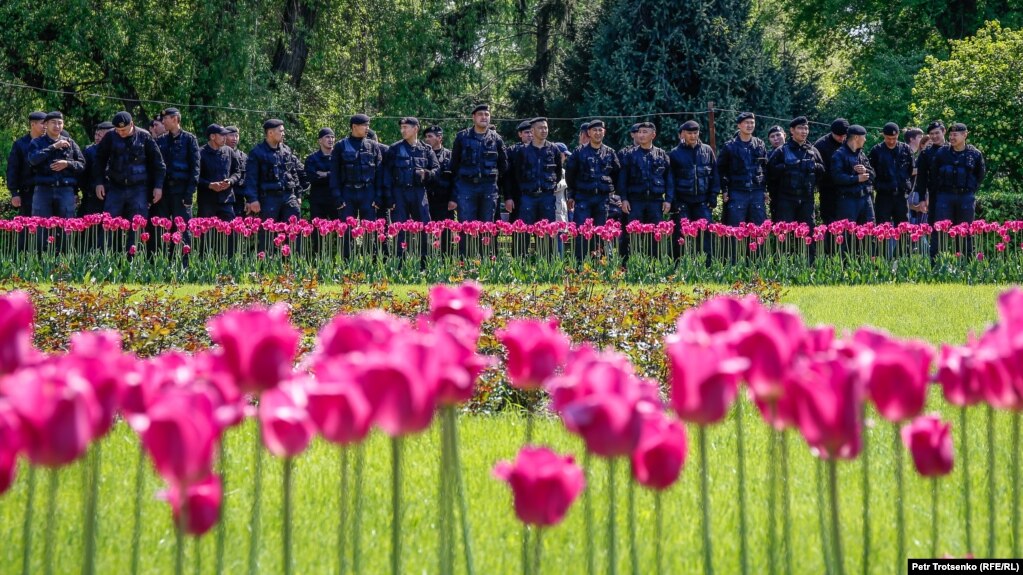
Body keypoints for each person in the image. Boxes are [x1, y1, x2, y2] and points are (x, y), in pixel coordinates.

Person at [93, 111, 166, 220]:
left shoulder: (144, 136)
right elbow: (99, 160)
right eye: (118, 130)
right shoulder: (110, 136)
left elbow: (158, 164)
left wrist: (158, 187)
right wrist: (99, 182)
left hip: (138, 188)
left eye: (124, 130)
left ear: (131, 124)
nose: (121, 133)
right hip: (115, 187)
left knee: (138, 225)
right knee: (108, 223)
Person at [928, 123, 985, 258]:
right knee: (940, 231)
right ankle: (936, 264)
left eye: (956, 135)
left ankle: (965, 263)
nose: (952, 137)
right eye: (951, 134)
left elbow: (980, 175)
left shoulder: (975, 154)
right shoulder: (942, 153)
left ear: (965, 135)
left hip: (965, 196)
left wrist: (970, 190)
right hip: (945, 196)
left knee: (965, 231)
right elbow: (934, 174)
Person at [565, 119, 619, 260]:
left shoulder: (610, 153)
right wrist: (571, 194)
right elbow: (570, 175)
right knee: (582, 233)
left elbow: (617, 174)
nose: (597, 133)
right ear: (588, 133)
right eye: (594, 130)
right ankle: (580, 266)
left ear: (604, 132)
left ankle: (599, 265)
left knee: (601, 233)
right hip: (583, 198)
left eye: (600, 130)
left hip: (603, 199)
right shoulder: (579, 152)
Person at [244, 119, 307, 232]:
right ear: (270, 133)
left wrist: (298, 195)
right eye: (281, 131)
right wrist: (253, 199)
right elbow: (251, 178)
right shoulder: (257, 152)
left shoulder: (286, 150)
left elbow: (293, 173)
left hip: (288, 197)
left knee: (294, 232)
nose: (283, 134)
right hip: (268, 198)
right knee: (268, 235)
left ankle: (293, 250)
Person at [669, 120, 720, 261]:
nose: (692, 136)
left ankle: (707, 266)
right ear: (682, 134)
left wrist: (713, 195)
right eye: (689, 133)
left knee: (705, 236)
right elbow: (670, 180)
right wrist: (674, 201)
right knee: (681, 237)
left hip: (703, 201)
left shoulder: (707, 150)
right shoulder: (674, 154)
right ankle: (681, 265)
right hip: (682, 201)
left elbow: (714, 175)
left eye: (695, 133)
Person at [449, 104, 508, 223]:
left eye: (487, 114)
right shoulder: (462, 137)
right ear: (473, 117)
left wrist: (493, 178)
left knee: (487, 227)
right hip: (466, 187)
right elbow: (454, 164)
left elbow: (504, 165)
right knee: (466, 227)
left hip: (488, 187)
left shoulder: (496, 139)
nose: (484, 117)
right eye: (480, 114)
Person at [153, 107, 200, 251]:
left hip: (181, 191)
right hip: (164, 192)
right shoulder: (160, 140)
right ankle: (162, 262)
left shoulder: (189, 139)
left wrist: (189, 193)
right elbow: (156, 167)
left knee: (182, 229)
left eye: (165, 119)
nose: (163, 122)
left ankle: (183, 265)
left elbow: (195, 168)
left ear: (175, 119)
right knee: (162, 229)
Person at [27, 112, 85, 221]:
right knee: (41, 226)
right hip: (43, 190)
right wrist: (53, 147)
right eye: (53, 123)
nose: (57, 126)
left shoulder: (70, 143)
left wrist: (67, 164)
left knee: (66, 227)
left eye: (60, 123)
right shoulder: (37, 142)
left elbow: (82, 165)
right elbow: (33, 160)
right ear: (46, 124)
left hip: (65, 190)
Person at [382, 117, 438, 224]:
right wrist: (389, 197)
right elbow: (387, 174)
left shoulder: (426, 149)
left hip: (419, 192)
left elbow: (436, 170)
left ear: (415, 129)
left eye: (405, 127)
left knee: (423, 227)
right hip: (399, 193)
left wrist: (426, 173)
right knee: (399, 228)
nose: (402, 130)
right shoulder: (394, 149)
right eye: (401, 128)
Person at [330, 114, 385, 221]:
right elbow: (334, 173)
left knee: (369, 229)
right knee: (347, 230)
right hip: (347, 192)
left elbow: (379, 172)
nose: (367, 128)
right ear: (354, 126)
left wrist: (379, 195)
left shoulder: (373, 146)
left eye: (368, 125)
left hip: (368, 191)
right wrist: (337, 196)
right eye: (365, 125)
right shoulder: (340, 146)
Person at [718, 112, 768, 225]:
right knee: (735, 230)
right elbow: (720, 170)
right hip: (737, 192)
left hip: (757, 191)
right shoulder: (729, 146)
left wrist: (764, 190)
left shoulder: (760, 144)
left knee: (758, 230)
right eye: (746, 123)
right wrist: (724, 190)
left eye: (752, 122)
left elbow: (765, 168)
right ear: (739, 125)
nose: (750, 125)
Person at [618, 121, 672, 225]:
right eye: (640, 132)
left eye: (645, 132)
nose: (641, 135)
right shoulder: (630, 155)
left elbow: (669, 179)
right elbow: (622, 180)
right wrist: (624, 199)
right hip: (635, 201)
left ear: (653, 135)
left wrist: (668, 200)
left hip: (656, 201)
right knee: (635, 235)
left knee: (655, 235)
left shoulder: (662, 155)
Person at [868, 122, 914, 225]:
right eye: (888, 138)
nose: (891, 141)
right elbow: (871, 173)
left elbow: (911, 171)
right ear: (883, 135)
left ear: (898, 135)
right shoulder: (876, 151)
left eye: (894, 138)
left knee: (903, 230)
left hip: (901, 196)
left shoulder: (906, 149)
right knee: (882, 228)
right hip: (884, 195)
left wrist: (906, 187)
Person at [831, 124, 875, 224]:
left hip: (865, 199)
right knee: (847, 234)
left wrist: (865, 171)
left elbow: (872, 175)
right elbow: (837, 177)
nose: (865, 140)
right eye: (864, 137)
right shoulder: (839, 155)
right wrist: (857, 179)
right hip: (848, 200)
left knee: (868, 233)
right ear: (856, 137)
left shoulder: (862, 154)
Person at [7, 111, 47, 220]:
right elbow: (12, 169)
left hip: (46, 191)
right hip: (28, 193)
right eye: (43, 123)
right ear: (33, 124)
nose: (45, 127)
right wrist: (14, 193)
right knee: (27, 227)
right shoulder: (20, 144)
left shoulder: (49, 143)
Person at [197, 124, 242, 221]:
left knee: (230, 232)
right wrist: (209, 185)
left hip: (226, 200)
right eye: (222, 135)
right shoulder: (200, 153)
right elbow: (194, 176)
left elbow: (237, 172)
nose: (225, 138)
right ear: (212, 136)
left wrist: (230, 181)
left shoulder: (229, 151)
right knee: (206, 234)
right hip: (207, 201)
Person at [814, 118, 849, 224]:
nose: (842, 138)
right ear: (832, 132)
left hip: (847, 190)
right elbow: (819, 170)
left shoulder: (849, 142)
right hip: (828, 190)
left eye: (844, 136)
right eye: (839, 135)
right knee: (831, 223)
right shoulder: (820, 145)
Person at [78, 121, 113, 217]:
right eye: (96, 134)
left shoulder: (117, 150)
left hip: (112, 195)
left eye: (100, 135)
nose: (97, 138)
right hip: (93, 195)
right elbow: (82, 175)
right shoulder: (89, 151)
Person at [305, 127, 340, 220]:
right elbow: (312, 178)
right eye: (327, 137)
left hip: (336, 199)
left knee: (339, 230)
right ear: (320, 140)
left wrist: (325, 174)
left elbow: (342, 175)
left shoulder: (339, 158)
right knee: (317, 231)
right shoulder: (312, 158)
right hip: (318, 199)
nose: (331, 140)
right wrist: (332, 175)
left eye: (332, 137)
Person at [423, 125, 453, 223]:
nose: (427, 139)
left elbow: (456, 179)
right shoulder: (422, 155)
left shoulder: (450, 156)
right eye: (426, 137)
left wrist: (454, 199)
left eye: (430, 136)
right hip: (426, 200)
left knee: (445, 234)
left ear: (439, 138)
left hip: (444, 201)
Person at [223, 126, 249, 217]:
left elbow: (248, 179)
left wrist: (249, 200)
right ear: (224, 136)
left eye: (236, 136)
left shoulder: (243, 156)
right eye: (231, 135)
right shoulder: (220, 154)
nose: (234, 138)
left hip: (239, 197)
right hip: (223, 197)